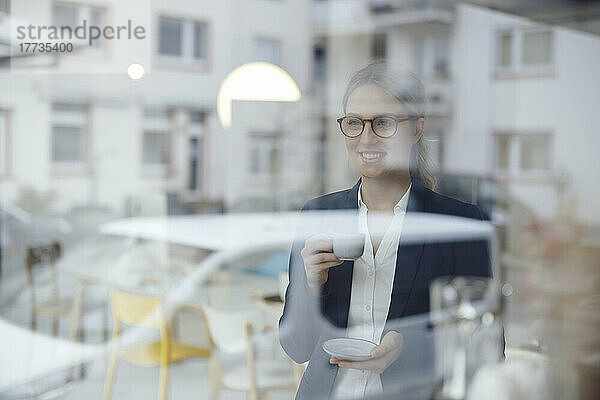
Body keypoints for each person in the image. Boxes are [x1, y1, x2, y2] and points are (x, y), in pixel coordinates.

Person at [279, 62, 492, 400]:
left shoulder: (459, 225)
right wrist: (310, 285)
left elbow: (486, 351)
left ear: (417, 129)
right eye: (354, 123)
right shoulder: (317, 215)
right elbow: (296, 347)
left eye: (384, 123)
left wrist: (410, 344)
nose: (366, 138)